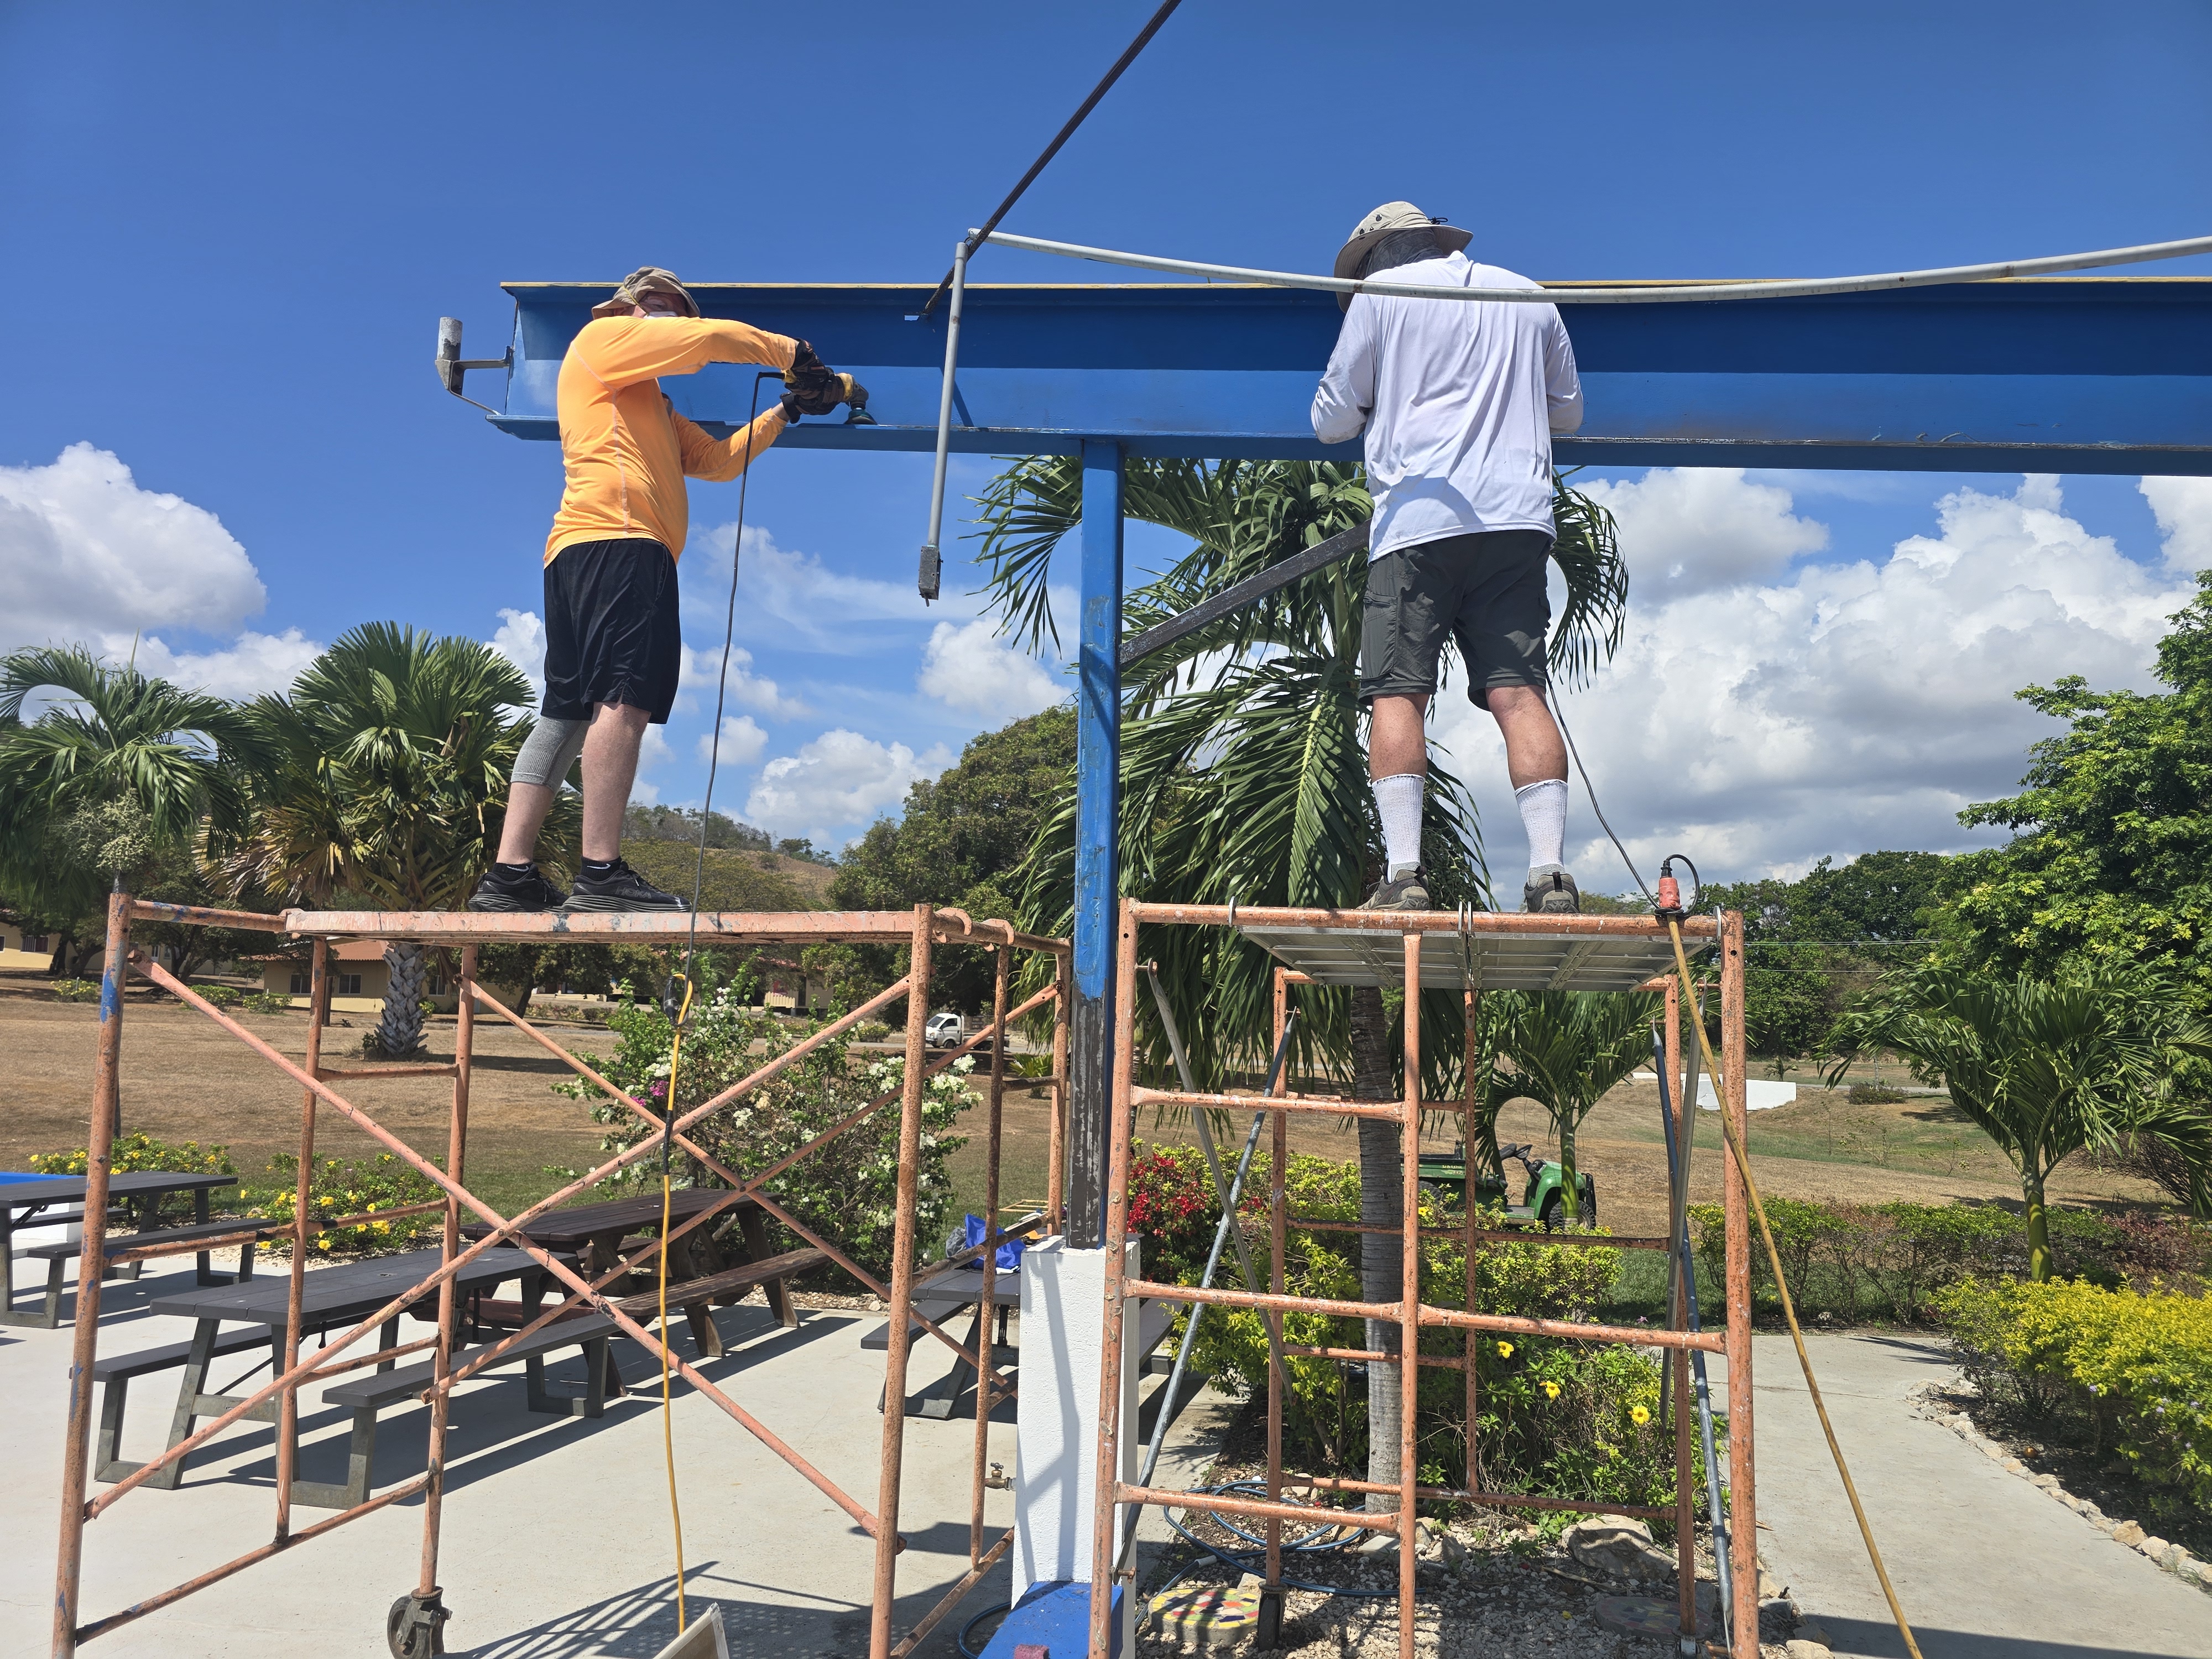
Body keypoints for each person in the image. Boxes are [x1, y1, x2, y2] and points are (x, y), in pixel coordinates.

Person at [469, 265, 857, 913]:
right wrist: (795, 355)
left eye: (677, 307)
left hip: (578, 550)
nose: (669, 315)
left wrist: (787, 409)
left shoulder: (646, 398)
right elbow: (705, 341)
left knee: (566, 713)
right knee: (625, 697)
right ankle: (600, 873)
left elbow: (716, 462)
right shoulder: (603, 340)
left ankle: (509, 876)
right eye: (657, 304)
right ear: (625, 308)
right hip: (623, 543)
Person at [1311, 202, 1586, 915]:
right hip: (1517, 520)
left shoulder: (1379, 298)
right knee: (1518, 692)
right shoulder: (1527, 293)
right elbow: (1567, 413)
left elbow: (1331, 421)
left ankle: (1404, 875)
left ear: (1375, 257)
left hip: (1417, 524)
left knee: (1398, 692)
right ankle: (1549, 876)